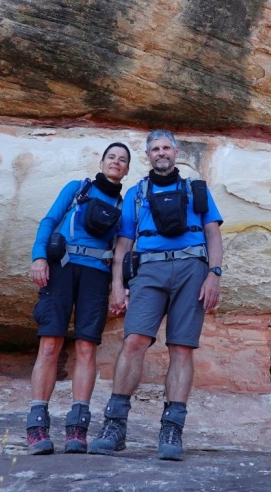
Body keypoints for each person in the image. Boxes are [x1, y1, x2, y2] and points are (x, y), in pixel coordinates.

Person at [88, 130, 223, 461]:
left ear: (176, 152)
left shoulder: (196, 191)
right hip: (148, 270)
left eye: (166, 147)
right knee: (134, 341)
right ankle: (114, 426)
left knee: (180, 348)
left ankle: (172, 429)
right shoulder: (136, 194)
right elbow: (123, 245)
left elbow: (213, 235)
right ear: (147, 155)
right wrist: (118, 285)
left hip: (192, 269)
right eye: (155, 149)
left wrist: (214, 275)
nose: (161, 153)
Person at [25, 142, 131, 455]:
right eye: (111, 157)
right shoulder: (77, 188)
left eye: (122, 160)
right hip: (62, 268)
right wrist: (39, 256)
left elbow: (122, 249)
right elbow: (48, 221)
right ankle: (37, 424)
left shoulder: (125, 206)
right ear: (101, 162)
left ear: (126, 169)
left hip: (96, 275)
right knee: (50, 343)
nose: (116, 162)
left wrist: (118, 285)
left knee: (86, 346)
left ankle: (77, 426)